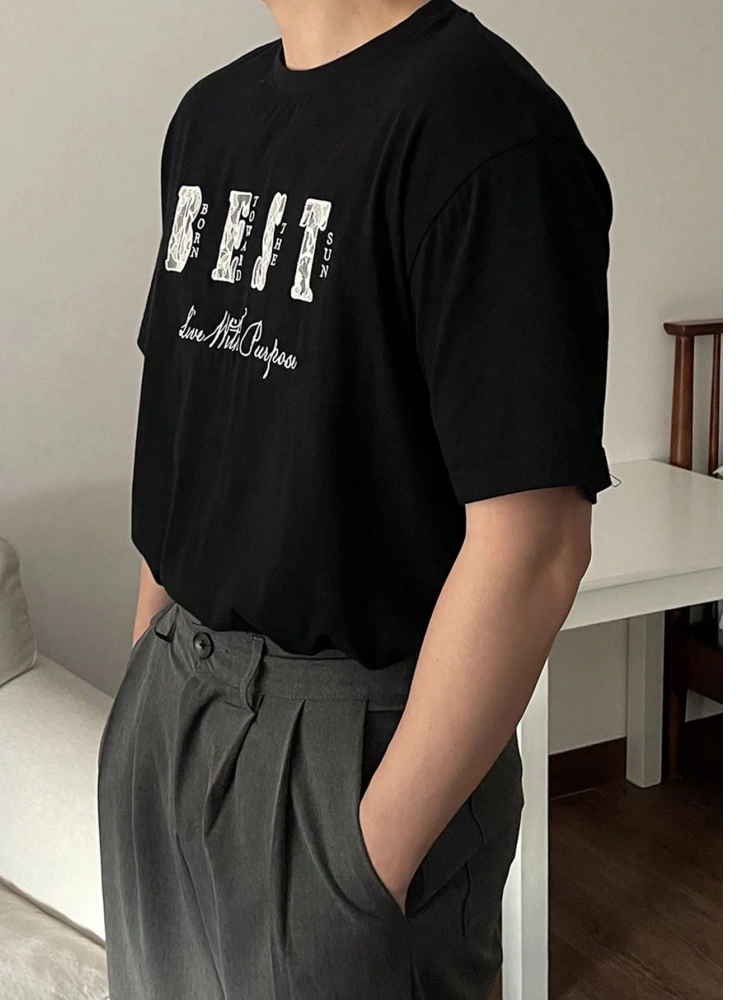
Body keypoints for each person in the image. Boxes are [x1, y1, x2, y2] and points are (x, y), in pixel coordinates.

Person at [97, 1, 614, 997]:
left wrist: (367, 857)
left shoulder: (488, 130)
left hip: (347, 745)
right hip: (171, 700)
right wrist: (146, 680)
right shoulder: (208, 117)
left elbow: (536, 543)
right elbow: (190, 428)